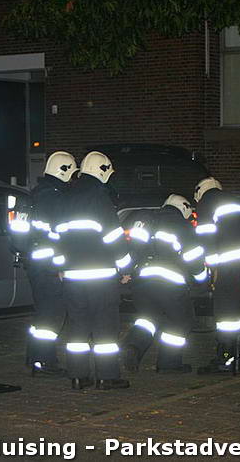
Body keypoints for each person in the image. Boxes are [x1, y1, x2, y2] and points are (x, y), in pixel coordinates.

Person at [54, 151, 132, 390]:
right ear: (103, 171)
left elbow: (56, 237)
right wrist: (126, 268)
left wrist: (61, 266)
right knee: (105, 326)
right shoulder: (100, 198)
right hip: (101, 276)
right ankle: (107, 376)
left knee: (77, 325)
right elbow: (113, 237)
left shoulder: (65, 197)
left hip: (72, 276)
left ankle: (78, 376)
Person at [8, 151, 78, 377]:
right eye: (72, 174)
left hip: (35, 263)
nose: (73, 179)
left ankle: (35, 357)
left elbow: (19, 236)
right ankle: (44, 362)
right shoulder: (54, 199)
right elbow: (61, 237)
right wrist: (60, 266)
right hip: (49, 267)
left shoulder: (34, 195)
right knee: (52, 314)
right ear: (64, 172)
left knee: (43, 313)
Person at [123, 194, 208, 374]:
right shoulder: (182, 226)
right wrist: (203, 282)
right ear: (184, 209)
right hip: (170, 284)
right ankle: (169, 364)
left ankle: (133, 346)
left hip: (142, 282)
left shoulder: (145, 221)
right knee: (181, 321)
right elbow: (194, 260)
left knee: (148, 318)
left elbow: (132, 251)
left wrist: (127, 273)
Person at [193, 177, 240, 374]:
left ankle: (226, 357)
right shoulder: (236, 200)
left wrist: (213, 269)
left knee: (225, 310)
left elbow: (207, 237)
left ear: (199, 192)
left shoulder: (207, 202)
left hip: (229, 260)